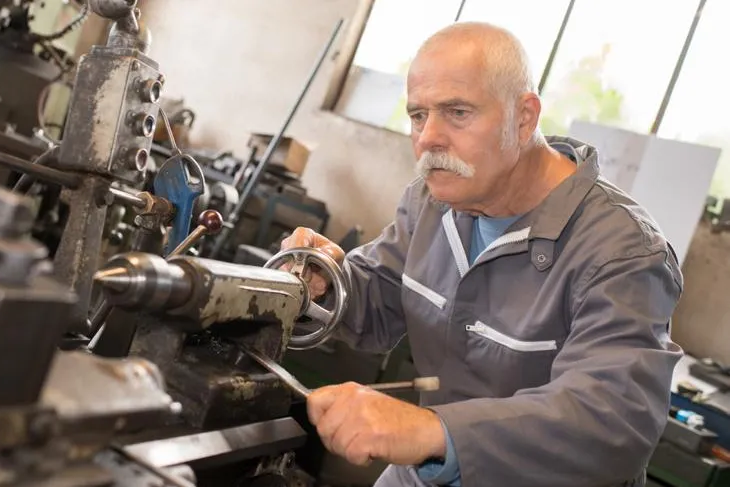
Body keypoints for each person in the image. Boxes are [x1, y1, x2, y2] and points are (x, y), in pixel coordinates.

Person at [280, 21, 683, 487]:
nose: (428, 137)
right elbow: (378, 301)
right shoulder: (431, 204)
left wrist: (435, 430)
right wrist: (325, 282)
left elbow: (612, 421)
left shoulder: (623, 251)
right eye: (417, 116)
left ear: (524, 117)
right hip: (431, 467)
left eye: (457, 112)